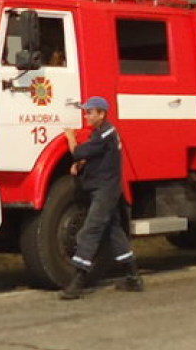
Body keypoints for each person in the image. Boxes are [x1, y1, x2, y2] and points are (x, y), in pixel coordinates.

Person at [60, 96, 143, 299]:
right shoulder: (104, 133)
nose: (86, 116)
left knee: (89, 232)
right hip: (107, 189)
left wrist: (70, 137)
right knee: (114, 232)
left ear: (101, 114)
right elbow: (96, 157)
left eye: (90, 112)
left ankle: (77, 283)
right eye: (86, 112)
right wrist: (82, 165)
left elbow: (78, 152)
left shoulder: (105, 133)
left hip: (105, 191)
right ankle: (133, 278)